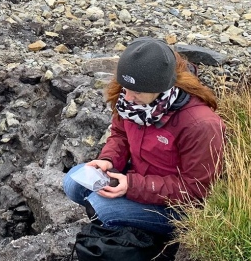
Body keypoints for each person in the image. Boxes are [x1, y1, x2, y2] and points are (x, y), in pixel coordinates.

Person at [63, 37, 225, 236]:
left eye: (137, 91)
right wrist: (108, 160)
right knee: (73, 181)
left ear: (160, 88)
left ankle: (150, 239)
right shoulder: (130, 103)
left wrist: (132, 186)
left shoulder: (200, 125)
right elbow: (120, 134)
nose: (128, 97)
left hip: (177, 208)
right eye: (125, 87)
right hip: (138, 179)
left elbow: (197, 190)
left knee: (101, 207)